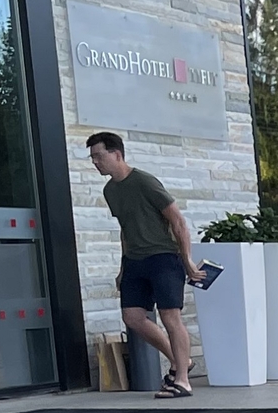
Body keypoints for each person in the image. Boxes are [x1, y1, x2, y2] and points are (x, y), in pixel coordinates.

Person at [87, 131, 204, 397]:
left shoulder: (144, 182)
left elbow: (178, 221)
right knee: (133, 317)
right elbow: (125, 229)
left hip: (163, 257)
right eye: (92, 157)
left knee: (170, 317)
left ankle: (183, 381)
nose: (95, 162)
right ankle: (180, 361)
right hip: (135, 261)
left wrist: (186, 261)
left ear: (116, 154)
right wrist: (122, 267)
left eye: (99, 156)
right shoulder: (110, 190)